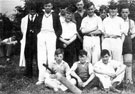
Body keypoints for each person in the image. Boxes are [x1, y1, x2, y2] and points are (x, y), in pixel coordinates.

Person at [36, 1, 62, 85]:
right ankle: (41, 79)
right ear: (44, 6)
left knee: (51, 57)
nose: (48, 7)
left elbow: (59, 28)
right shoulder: (40, 15)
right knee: (41, 57)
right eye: (46, 6)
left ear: (52, 7)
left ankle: (51, 78)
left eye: (49, 6)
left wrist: (55, 36)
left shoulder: (55, 15)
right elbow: (36, 26)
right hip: (42, 35)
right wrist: (38, 34)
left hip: (51, 35)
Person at [19, 4, 39, 78]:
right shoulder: (24, 19)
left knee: (38, 57)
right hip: (28, 41)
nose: (32, 11)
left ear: (36, 10)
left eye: (34, 9)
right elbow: (22, 30)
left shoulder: (40, 18)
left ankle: (38, 73)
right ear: (28, 10)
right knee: (28, 57)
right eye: (31, 9)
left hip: (37, 41)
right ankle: (29, 73)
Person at [120, 4, 135, 85]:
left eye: (126, 12)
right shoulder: (118, 20)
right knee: (119, 62)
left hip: (128, 43)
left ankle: (129, 80)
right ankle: (120, 81)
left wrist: (128, 38)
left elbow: (134, 33)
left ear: (128, 12)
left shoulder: (131, 22)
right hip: (118, 43)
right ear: (120, 13)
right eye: (123, 12)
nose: (124, 14)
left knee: (128, 62)